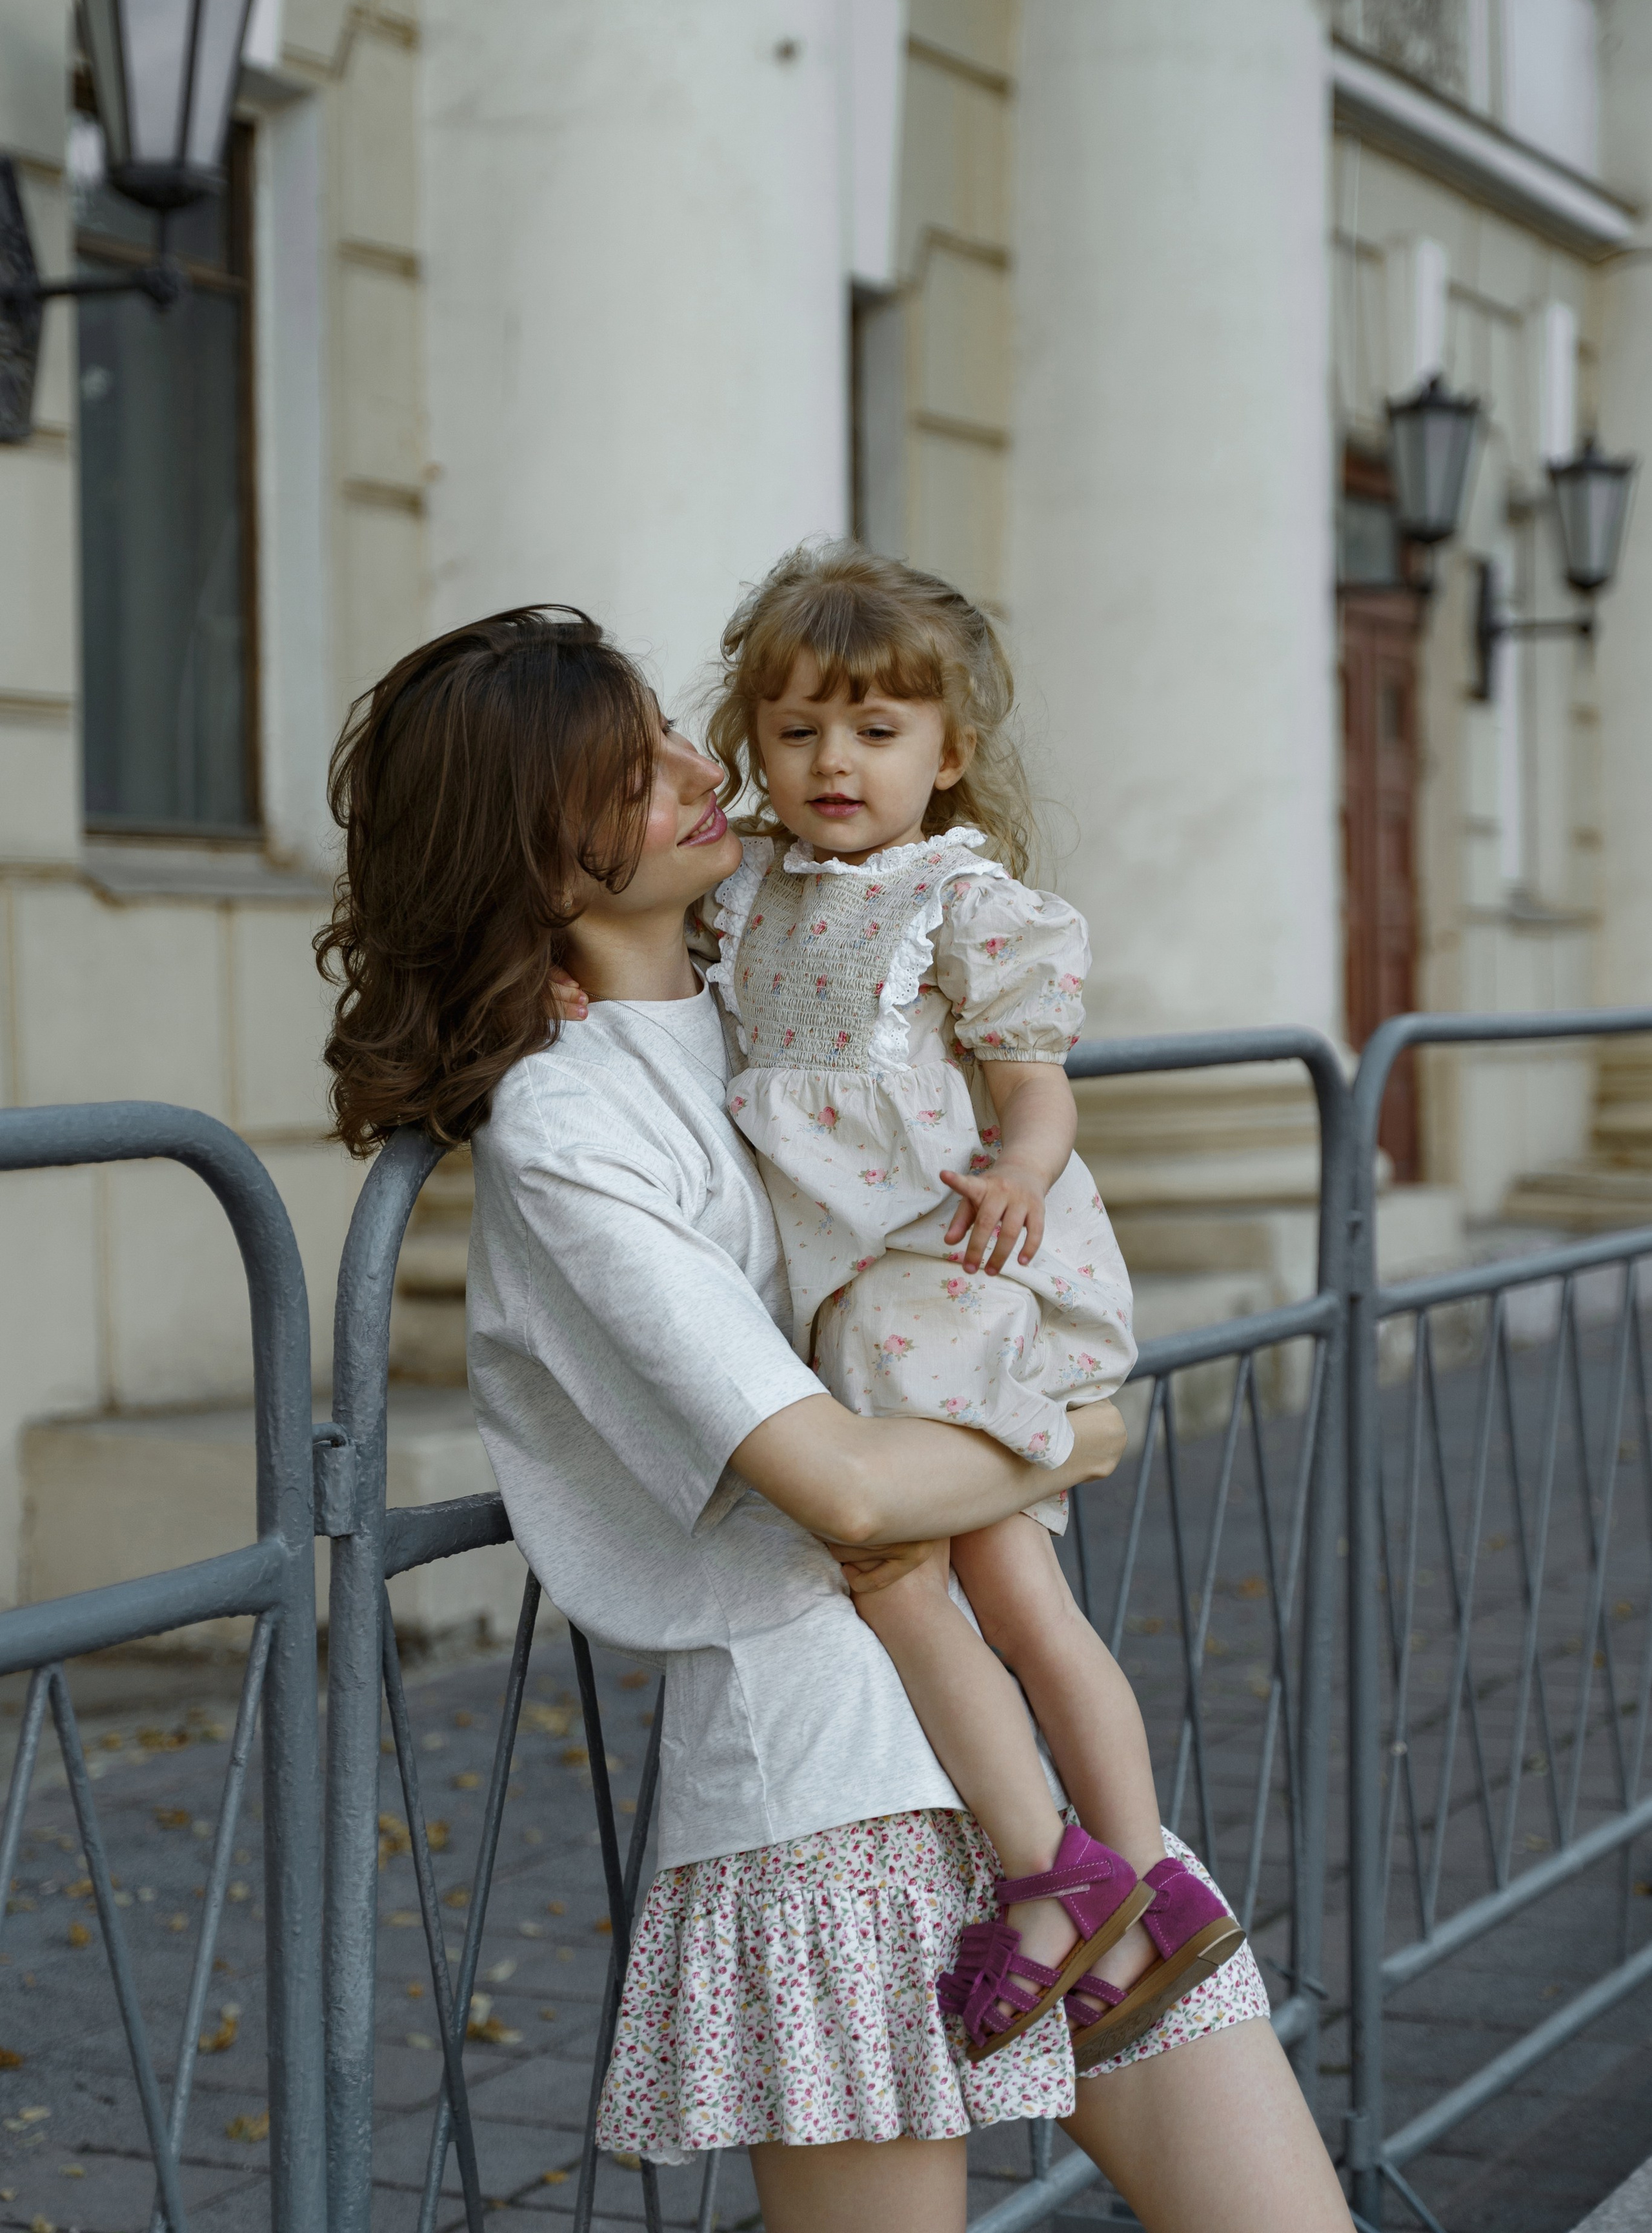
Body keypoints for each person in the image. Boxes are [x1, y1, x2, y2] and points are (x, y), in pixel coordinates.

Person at [317, 601, 1352, 2233]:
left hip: (1044, 1785)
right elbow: (850, 1493)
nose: (691, 765)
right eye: (624, 769)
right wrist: (1071, 1435)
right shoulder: (563, 1128)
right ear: (534, 856)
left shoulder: (766, 978)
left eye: (667, 729)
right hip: (832, 1802)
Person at [696, 542, 1237, 2063]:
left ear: (947, 756)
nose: (831, 762)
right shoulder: (745, 893)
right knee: (1008, 1592)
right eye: (795, 730)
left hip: (946, 1274)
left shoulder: (961, 903)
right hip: (863, 1294)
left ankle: (1055, 1880)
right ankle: (1144, 1881)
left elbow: (1036, 1091)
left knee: (910, 1577)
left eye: (874, 731)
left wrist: (1016, 1169)